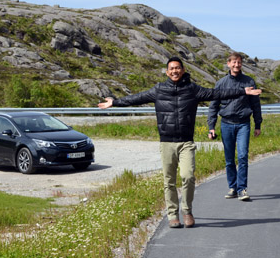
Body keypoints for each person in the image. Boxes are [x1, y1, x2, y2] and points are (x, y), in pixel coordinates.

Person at [98, 57, 262, 228]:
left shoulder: (192, 89)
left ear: (183, 70)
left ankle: (187, 210)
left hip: (186, 143)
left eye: (178, 68)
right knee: (169, 181)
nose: (175, 71)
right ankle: (172, 215)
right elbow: (136, 98)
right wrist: (114, 102)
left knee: (188, 176)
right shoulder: (159, 90)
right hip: (166, 142)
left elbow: (217, 93)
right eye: (171, 68)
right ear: (167, 72)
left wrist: (244, 92)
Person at [207, 52, 262, 201]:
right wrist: (211, 126)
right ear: (228, 64)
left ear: (241, 64)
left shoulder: (249, 81)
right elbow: (213, 106)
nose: (236, 65)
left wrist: (258, 124)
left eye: (239, 62)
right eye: (234, 62)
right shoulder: (221, 83)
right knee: (229, 159)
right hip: (226, 124)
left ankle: (242, 189)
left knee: (243, 156)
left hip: (243, 123)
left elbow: (255, 105)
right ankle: (232, 187)